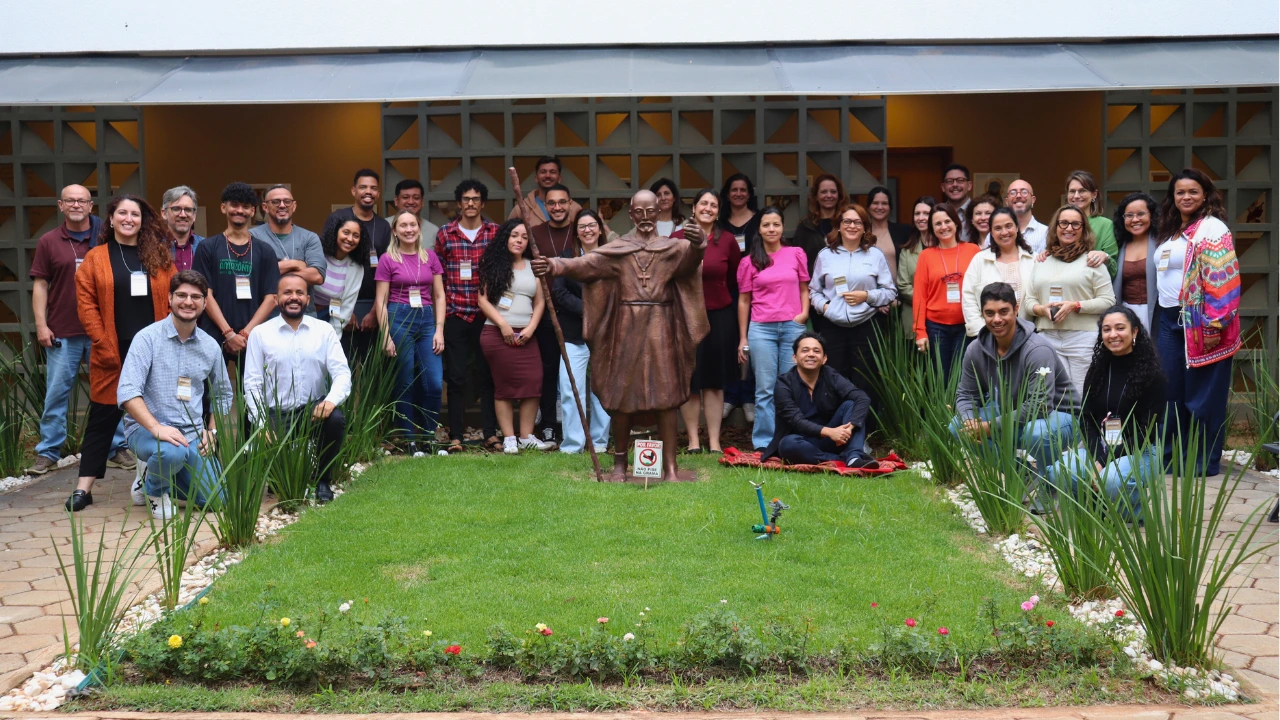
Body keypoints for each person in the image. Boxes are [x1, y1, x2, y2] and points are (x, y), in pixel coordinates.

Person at [533, 189, 708, 481]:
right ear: (631, 214)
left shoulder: (671, 247)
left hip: (661, 325)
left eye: (650, 211)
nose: (645, 218)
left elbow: (690, 263)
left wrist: (699, 244)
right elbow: (585, 264)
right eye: (639, 213)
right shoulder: (619, 248)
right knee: (622, 393)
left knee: (666, 394)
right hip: (626, 327)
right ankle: (618, 465)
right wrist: (553, 265)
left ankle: (670, 468)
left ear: (658, 211)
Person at [68, 195, 175, 512]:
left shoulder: (158, 257)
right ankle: (83, 489)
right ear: (111, 219)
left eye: (136, 214)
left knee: (158, 416)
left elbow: (173, 298)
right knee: (102, 419)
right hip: (112, 353)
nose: (129, 219)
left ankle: (153, 482)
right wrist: (101, 341)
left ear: (143, 221)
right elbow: (86, 305)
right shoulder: (95, 258)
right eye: (122, 213)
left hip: (154, 353)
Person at [27, 185, 130, 476]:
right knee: (57, 393)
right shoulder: (49, 241)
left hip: (104, 329)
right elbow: (40, 285)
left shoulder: (105, 236)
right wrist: (41, 325)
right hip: (64, 331)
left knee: (113, 390)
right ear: (61, 205)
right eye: (70, 200)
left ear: (91, 205)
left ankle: (117, 447)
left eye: (81, 201)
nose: (76, 205)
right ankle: (48, 451)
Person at [117, 270, 232, 519]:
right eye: (181, 295)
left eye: (195, 296)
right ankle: (156, 491)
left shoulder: (210, 346)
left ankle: (151, 474)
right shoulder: (146, 339)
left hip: (190, 434)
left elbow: (223, 394)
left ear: (204, 302)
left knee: (218, 500)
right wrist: (156, 428)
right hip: (146, 431)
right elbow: (127, 392)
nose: (188, 302)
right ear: (169, 298)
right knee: (171, 451)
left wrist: (212, 431)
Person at [1153, 168, 1241, 476]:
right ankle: (1168, 459)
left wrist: (1214, 324)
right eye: (1180, 192)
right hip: (1168, 320)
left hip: (1200, 320)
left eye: (1192, 191)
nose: (1186, 197)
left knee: (1202, 396)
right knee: (1171, 394)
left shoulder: (1212, 228)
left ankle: (1201, 464)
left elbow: (1224, 279)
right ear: (1172, 197)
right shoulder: (1173, 229)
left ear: (1205, 194)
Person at [951, 282, 1078, 481]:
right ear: (982, 313)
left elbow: (1040, 405)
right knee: (957, 427)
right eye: (990, 313)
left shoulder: (1037, 349)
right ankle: (1021, 474)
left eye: (1004, 311)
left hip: (1060, 417)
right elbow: (966, 394)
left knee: (1035, 433)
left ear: (1016, 309)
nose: (997, 319)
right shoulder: (975, 349)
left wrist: (990, 426)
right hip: (1014, 416)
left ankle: (1049, 481)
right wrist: (970, 421)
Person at [1046, 305, 1165, 517]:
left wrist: (1103, 462)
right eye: (1106, 329)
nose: (1113, 335)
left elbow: (1146, 431)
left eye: (1120, 328)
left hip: (1140, 450)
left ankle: (1133, 511)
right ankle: (1096, 505)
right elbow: (1087, 418)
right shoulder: (1098, 368)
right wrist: (1097, 457)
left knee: (1110, 478)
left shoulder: (1152, 374)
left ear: (1135, 331)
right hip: (1101, 446)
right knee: (1058, 471)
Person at [244, 273, 352, 503]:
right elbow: (252, 384)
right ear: (276, 299)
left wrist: (330, 401)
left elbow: (342, 373)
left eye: (299, 293)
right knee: (282, 489)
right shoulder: (260, 334)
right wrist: (261, 425)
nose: (294, 297)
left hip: (311, 412)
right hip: (276, 416)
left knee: (335, 419)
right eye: (287, 292)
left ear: (308, 299)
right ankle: (281, 476)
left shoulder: (324, 331)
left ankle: (323, 480)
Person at [478, 219, 554, 454]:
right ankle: (509, 438)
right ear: (505, 238)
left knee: (534, 382)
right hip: (497, 333)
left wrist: (531, 328)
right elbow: (482, 299)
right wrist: (503, 325)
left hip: (526, 335)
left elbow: (540, 301)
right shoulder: (492, 264)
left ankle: (526, 436)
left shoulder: (534, 266)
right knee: (503, 387)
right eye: (514, 235)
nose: (519, 240)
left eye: (523, 237)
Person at [738, 207, 811, 451]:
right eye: (767, 225)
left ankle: (790, 439)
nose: (772, 229)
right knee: (765, 388)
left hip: (792, 327)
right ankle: (764, 442)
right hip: (762, 330)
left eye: (776, 224)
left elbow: (803, 288)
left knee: (793, 387)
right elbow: (744, 300)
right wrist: (742, 338)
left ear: (782, 227)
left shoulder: (795, 253)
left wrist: (803, 315)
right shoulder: (749, 261)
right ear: (759, 228)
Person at [673, 189, 740, 453]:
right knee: (690, 381)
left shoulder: (728, 241)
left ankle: (714, 442)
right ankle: (692, 441)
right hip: (686, 316)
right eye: (704, 203)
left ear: (718, 211)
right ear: (694, 208)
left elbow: (735, 279)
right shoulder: (677, 238)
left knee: (714, 380)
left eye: (713, 205)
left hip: (720, 317)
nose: (708, 208)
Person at [1025, 205, 1116, 397]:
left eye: (1076, 224)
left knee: (1082, 394)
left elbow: (1108, 300)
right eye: (1064, 223)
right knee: (1055, 395)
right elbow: (1029, 301)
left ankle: (1083, 428)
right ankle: (1062, 428)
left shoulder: (1092, 261)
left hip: (1082, 337)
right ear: (1055, 227)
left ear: (1083, 229)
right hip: (1047, 337)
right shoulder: (1042, 261)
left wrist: (1076, 306)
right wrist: (1041, 309)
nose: (1069, 228)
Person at [808, 204, 895, 406]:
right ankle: (836, 430)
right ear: (838, 226)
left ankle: (862, 430)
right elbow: (814, 291)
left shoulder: (875, 255)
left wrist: (866, 296)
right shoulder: (825, 255)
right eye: (847, 221)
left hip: (866, 327)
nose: (852, 226)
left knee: (865, 381)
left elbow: (890, 291)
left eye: (858, 222)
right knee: (833, 379)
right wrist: (825, 307)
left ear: (865, 228)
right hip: (832, 327)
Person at [438, 179, 501, 453]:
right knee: (456, 377)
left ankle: (490, 432)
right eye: (466, 199)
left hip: (486, 315)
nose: (471, 203)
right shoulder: (445, 234)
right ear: (459, 203)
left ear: (483, 203)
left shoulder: (495, 232)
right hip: (456, 313)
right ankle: (456, 436)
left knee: (488, 375)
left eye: (476, 199)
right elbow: (437, 275)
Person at [376, 211, 446, 452]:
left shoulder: (431, 257)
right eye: (403, 225)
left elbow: (439, 295)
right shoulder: (387, 259)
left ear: (419, 228)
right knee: (404, 380)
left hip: (427, 321)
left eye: (412, 224)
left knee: (434, 383)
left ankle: (428, 437)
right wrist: (385, 335)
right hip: (398, 319)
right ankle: (409, 439)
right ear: (395, 231)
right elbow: (381, 301)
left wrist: (439, 330)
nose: (408, 229)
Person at [193, 182, 281, 371]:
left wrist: (246, 333)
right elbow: (203, 294)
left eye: (245, 206)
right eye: (234, 205)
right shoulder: (207, 247)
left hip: (254, 336)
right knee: (212, 396)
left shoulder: (265, 251)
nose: (239, 210)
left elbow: (272, 298)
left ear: (252, 211)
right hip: (214, 334)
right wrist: (228, 333)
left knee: (254, 397)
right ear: (223, 207)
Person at [760, 332, 878, 468]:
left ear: (824, 359)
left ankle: (853, 456)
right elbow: (796, 421)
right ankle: (844, 459)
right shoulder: (783, 383)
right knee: (787, 444)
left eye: (816, 351)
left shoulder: (831, 375)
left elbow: (862, 398)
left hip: (834, 440)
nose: (811, 354)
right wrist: (830, 432)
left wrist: (848, 429)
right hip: (801, 441)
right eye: (805, 350)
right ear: (794, 358)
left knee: (851, 404)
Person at [551, 210, 612, 455]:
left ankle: (598, 442)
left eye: (592, 225)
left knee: (602, 392)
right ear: (576, 232)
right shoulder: (567, 258)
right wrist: (588, 311)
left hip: (605, 334)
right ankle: (573, 445)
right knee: (570, 389)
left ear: (600, 228)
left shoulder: (612, 257)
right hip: (574, 334)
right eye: (582, 226)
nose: (587, 230)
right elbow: (559, 292)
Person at [525, 183, 579, 445]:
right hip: (546, 312)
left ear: (570, 203)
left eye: (562, 202)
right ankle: (548, 425)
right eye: (551, 203)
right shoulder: (533, 234)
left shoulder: (579, 231)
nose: (557, 207)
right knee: (548, 370)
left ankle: (581, 427)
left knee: (574, 372)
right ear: (545, 207)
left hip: (577, 313)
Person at [322, 169, 392, 360]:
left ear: (378, 193)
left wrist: (375, 312)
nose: (368, 192)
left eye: (373, 188)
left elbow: (387, 272)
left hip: (372, 303)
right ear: (353, 191)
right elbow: (327, 261)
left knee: (373, 371)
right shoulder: (338, 218)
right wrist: (345, 311)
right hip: (337, 303)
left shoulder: (384, 226)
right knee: (342, 366)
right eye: (363, 187)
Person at [913, 204, 980, 378]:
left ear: (956, 223)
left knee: (963, 376)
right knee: (940, 378)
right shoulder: (926, 255)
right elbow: (919, 296)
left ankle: (962, 407)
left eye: (947, 221)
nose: (943, 227)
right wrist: (920, 331)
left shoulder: (973, 250)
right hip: (936, 327)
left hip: (966, 325)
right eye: (937, 224)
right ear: (932, 229)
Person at [717, 173, 760, 422]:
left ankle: (749, 397)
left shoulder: (759, 221)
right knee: (731, 341)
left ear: (749, 193)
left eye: (743, 189)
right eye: (734, 189)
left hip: (755, 289)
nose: (739, 193)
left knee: (752, 342)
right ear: (727, 193)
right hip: (727, 287)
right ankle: (731, 395)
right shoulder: (720, 222)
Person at [962, 207, 1034, 338]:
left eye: (1008, 226)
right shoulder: (980, 260)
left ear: (1017, 228)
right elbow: (969, 297)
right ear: (991, 233)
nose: (1004, 232)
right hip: (989, 335)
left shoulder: (1034, 259)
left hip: (1026, 335)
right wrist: (981, 331)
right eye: (998, 228)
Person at [250, 184, 325, 289]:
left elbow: (317, 276)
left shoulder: (309, 237)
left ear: (294, 206)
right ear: (265, 207)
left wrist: (271, 271)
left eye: (287, 201)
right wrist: (295, 264)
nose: (282, 205)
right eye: (275, 201)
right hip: (265, 305)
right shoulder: (252, 236)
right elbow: (251, 273)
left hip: (301, 304)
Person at [1111, 192, 1160, 333]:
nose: (1135, 220)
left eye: (1141, 214)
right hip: (1125, 313)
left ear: (1151, 215)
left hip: (1156, 313)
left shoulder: (1162, 243)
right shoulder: (1118, 245)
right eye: (1129, 215)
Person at [314, 217, 366, 336]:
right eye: (346, 233)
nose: (350, 239)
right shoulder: (318, 254)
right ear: (335, 232)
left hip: (328, 317)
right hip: (303, 312)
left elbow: (346, 307)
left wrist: (333, 338)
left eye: (356, 235)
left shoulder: (356, 267)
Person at [895, 196, 936, 340]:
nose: (921, 218)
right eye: (917, 214)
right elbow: (903, 286)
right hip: (913, 316)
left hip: (943, 319)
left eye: (926, 213)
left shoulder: (945, 247)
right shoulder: (907, 250)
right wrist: (933, 300)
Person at [1065, 170, 1119, 277]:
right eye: (1072, 191)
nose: (1076, 196)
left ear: (1094, 194)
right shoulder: (1060, 223)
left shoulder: (1105, 225)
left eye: (1082, 191)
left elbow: (1113, 268)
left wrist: (1105, 257)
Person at [791, 173, 849, 273]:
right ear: (816, 196)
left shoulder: (847, 223)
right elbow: (798, 261)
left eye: (833, 192)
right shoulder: (805, 226)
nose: (829, 195)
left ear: (839, 196)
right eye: (823, 192)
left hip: (847, 283)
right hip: (814, 285)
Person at [508, 156, 582, 227]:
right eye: (543, 172)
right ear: (536, 178)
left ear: (559, 178)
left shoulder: (575, 209)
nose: (547, 175)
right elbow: (507, 234)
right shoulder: (522, 209)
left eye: (552, 172)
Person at [865, 185, 911, 280]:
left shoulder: (904, 231)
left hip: (897, 292)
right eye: (875, 203)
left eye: (884, 203)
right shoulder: (861, 233)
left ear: (890, 207)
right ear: (868, 207)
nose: (880, 207)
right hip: (868, 292)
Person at [388, 179, 441, 250]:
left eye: (416, 198)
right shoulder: (384, 225)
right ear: (396, 201)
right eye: (405, 197)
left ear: (422, 202)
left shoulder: (434, 231)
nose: (411, 202)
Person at [160, 186, 203, 272]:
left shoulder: (205, 246)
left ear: (194, 215)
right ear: (164, 213)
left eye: (188, 210)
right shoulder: (154, 246)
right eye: (176, 209)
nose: (183, 215)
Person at [1005, 180, 1049, 254]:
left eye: (1024, 192)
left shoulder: (1047, 233)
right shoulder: (996, 234)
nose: (1018, 196)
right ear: (1006, 201)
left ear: (1033, 200)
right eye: (1013, 193)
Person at [940, 164, 973, 241]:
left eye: (960, 180)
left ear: (969, 185)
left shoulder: (979, 212)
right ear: (943, 187)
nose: (955, 185)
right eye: (949, 181)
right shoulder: (938, 213)